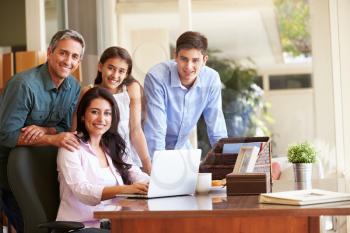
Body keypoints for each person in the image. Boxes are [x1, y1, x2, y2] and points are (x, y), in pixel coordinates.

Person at [0, 29, 85, 233]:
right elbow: (7, 134)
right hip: (9, 171)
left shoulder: (73, 86)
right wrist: (52, 139)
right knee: (32, 225)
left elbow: (64, 127)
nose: (68, 61)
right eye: (63, 53)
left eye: (75, 56)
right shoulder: (23, 85)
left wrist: (45, 129)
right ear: (50, 53)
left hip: (44, 167)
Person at [56, 87, 149, 228]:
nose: (101, 119)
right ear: (83, 115)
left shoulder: (113, 145)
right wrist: (126, 189)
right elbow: (83, 191)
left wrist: (153, 185)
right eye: (94, 112)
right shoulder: (70, 146)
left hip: (113, 224)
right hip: (81, 227)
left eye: (107, 113)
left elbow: (134, 172)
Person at [143, 31, 228, 157]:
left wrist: (226, 161)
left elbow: (216, 127)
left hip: (181, 149)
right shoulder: (157, 77)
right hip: (149, 151)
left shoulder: (211, 79)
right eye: (184, 59)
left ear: (204, 60)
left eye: (195, 60)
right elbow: (156, 131)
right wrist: (157, 169)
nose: (189, 66)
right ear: (175, 56)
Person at [75, 46, 151, 174]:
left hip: (125, 155)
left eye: (121, 71)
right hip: (98, 156)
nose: (115, 75)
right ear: (100, 67)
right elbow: (77, 130)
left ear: (126, 74)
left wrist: (147, 165)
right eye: (110, 68)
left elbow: (136, 130)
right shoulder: (88, 91)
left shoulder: (131, 89)